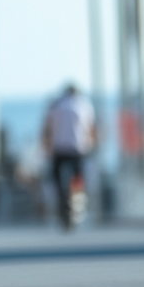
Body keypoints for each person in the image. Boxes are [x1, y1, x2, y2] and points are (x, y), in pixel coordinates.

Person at [42, 83, 96, 230]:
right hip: (78, 149)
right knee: (78, 181)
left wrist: (46, 147)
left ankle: (62, 206)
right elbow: (91, 128)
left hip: (59, 149)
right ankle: (76, 212)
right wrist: (92, 144)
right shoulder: (84, 105)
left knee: (58, 181)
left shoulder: (56, 105)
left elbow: (47, 128)